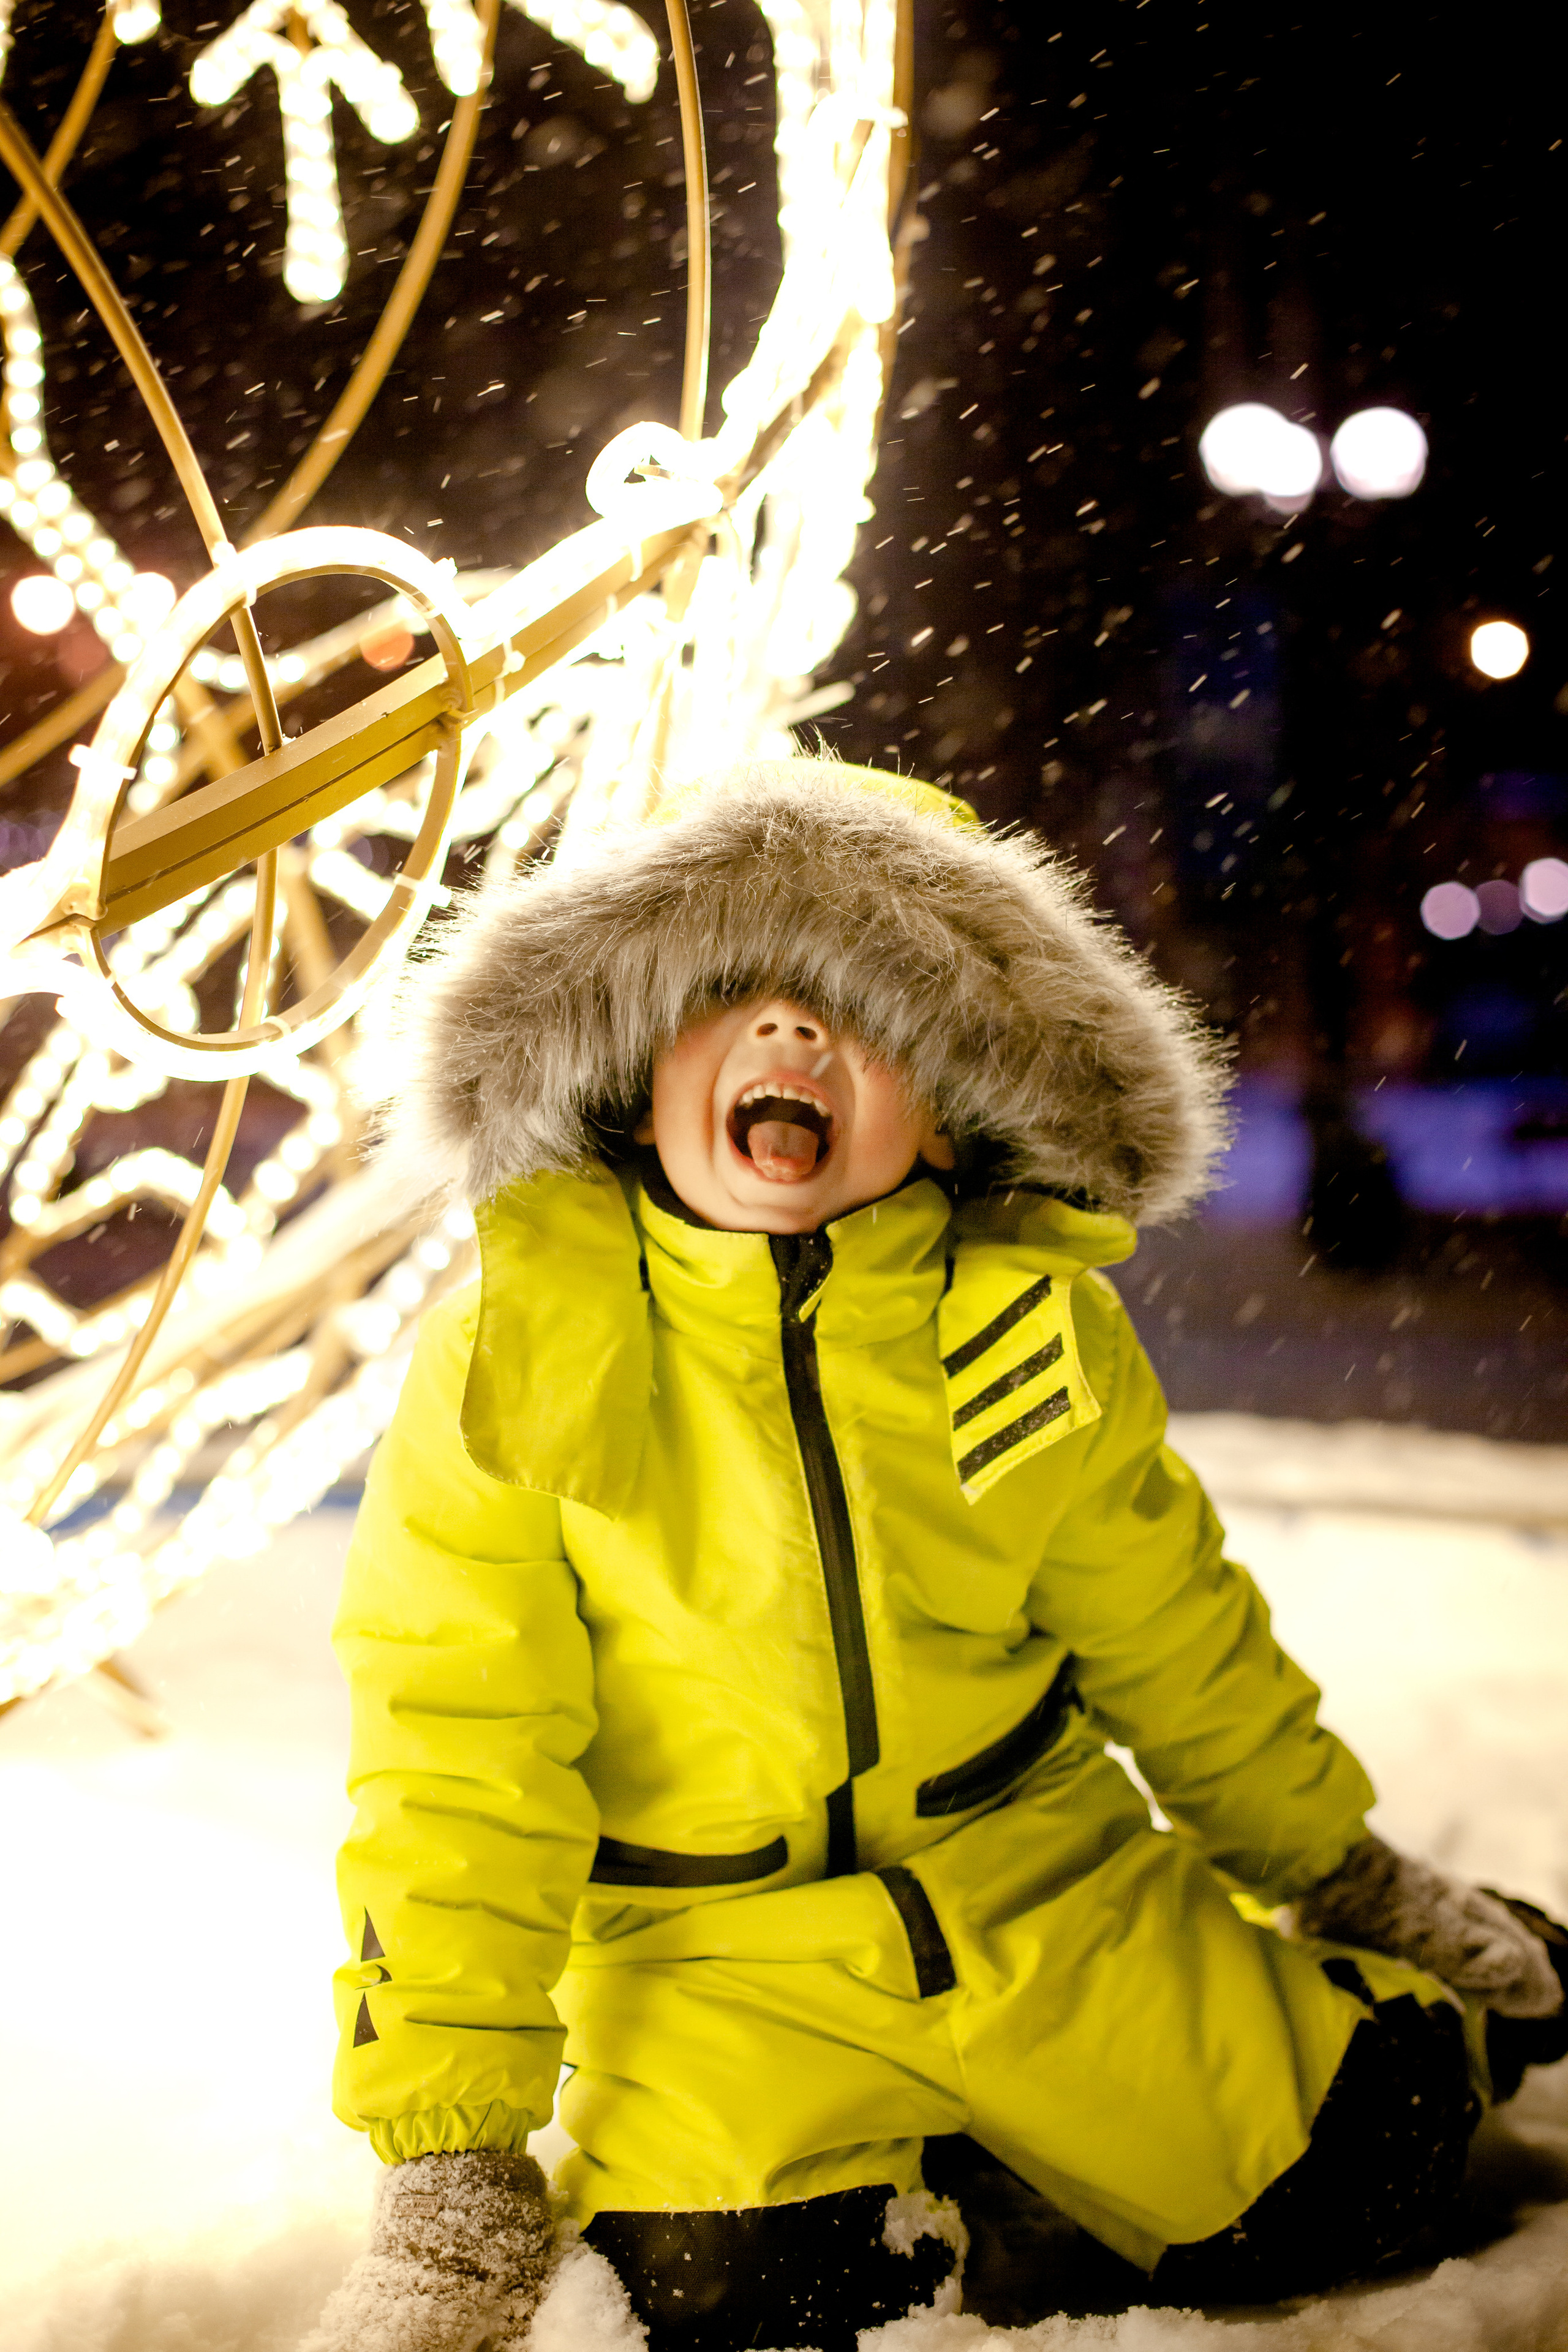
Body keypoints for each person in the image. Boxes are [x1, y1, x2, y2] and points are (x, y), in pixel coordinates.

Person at [306, 761, 1567, 2352]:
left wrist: (1341, 1868)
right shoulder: (521, 1344)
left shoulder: (1022, 1323)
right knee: (748, 2306)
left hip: (1046, 1891)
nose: (794, 1037)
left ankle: (1437, 2032)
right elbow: (455, 1750)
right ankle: (942, 2173)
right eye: (736, 998)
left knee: (1362, 2175)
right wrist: (449, 2146)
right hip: (716, 1961)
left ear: (962, 1099)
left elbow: (1170, 1629)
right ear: (634, 1060)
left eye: (866, 1011)